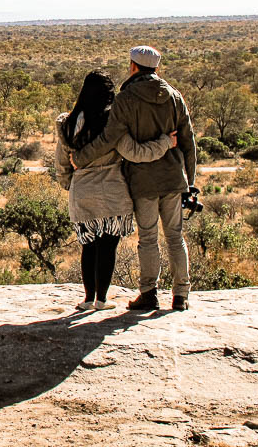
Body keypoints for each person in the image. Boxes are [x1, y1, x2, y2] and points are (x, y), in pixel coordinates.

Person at [71, 46, 196, 312]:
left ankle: (149, 294)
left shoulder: (126, 99)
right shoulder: (175, 96)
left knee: (149, 238)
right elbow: (189, 142)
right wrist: (191, 181)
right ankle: (181, 295)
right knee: (175, 236)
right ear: (157, 69)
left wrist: (80, 159)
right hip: (174, 178)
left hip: (143, 181)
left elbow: (109, 139)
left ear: (133, 66)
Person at [55, 70, 176, 311]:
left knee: (88, 246)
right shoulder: (112, 124)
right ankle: (102, 300)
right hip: (112, 192)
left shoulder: (68, 124)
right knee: (108, 247)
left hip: (82, 192)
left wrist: (69, 183)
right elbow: (136, 153)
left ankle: (88, 299)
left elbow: (61, 162)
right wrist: (165, 143)